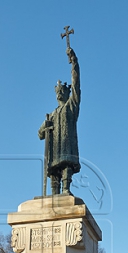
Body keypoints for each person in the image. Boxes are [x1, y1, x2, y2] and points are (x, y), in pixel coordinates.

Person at [38, 47, 81, 195]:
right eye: (57, 92)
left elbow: (76, 84)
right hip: (54, 149)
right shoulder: (52, 115)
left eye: (61, 91)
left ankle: (66, 189)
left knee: (65, 165)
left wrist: (74, 62)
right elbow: (40, 134)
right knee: (54, 169)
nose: (59, 94)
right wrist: (45, 127)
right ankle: (54, 193)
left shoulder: (71, 106)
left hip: (67, 145)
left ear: (67, 93)